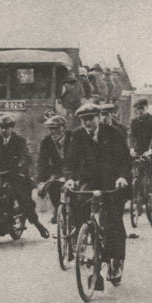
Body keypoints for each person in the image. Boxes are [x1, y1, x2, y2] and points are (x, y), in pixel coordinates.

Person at [63, 101, 131, 288]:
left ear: (99, 117)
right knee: (79, 207)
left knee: (114, 221)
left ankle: (116, 261)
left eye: (91, 118)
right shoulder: (78, 135)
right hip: (90, 180)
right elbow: (70, 161)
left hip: (112, 181)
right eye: (84, 120)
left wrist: (122, 177)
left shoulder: (112, 133)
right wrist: (70, 179)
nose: (87, 123)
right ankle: (82, 242)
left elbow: (125, 160)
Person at [0, 114, 49, 245]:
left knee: (23, 199)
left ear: (12, 128)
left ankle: (37, 223)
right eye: (1, 127)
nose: (3, 130)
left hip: (15, 173)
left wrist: (20, 166)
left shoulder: (19, 141)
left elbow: (25, 156)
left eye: (6, 127)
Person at [36, 115, 71, 224]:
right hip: (57, 172)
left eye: (55, 128)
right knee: (51, 187)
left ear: (63, 128)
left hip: (74, 170)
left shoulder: (73, 138)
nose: (52, 132)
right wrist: (41, 181)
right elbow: (42, 162)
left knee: (76, 191)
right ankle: (57, 209)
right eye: (50, 129)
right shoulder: (46, 142)